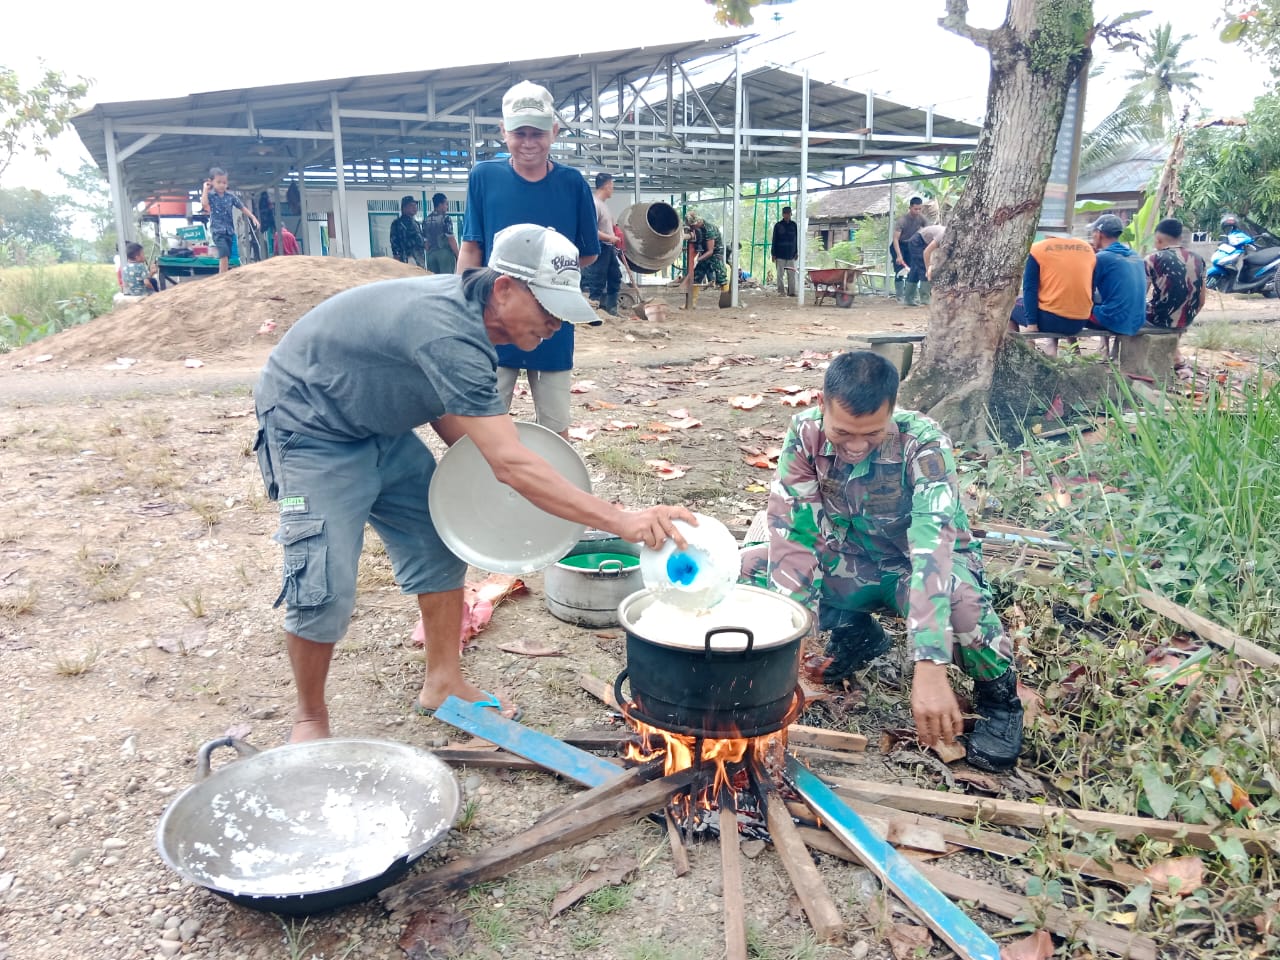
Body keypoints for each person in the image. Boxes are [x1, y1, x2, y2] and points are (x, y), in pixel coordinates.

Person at [253, 224, 694, 743]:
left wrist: (501, 481)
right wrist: (618, 519)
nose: (555, 325)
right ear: (504, 288)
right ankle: (310, 716)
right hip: (310, 425)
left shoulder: (477, 330)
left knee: (436, 536)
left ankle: (443, 682)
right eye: (548, 309)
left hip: (378, 426)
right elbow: (509, 460)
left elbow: (460, 425)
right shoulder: (447, 329)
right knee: (322, 578)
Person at [740, 351, 1024, 772]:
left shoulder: (924, 443)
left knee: (961, 601)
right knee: (753, 569)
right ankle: (857, 634)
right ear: (823, 403)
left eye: (871, 434)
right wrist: (792, 647)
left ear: (892, 409)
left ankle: (1000, 701)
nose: (855, 447)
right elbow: (796, 537)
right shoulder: (804, 433)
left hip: (913, 571)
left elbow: (933, 553)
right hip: (850, 562)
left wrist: (929, 666)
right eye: (843, 433)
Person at [457, 80, 599, 440]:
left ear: (554, 131)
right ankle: (478, 490)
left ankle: (555, 488)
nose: (529, 142)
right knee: (483, 418)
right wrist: (461, 306)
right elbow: (472, 246)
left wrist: (546, 283)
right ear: (503, 131)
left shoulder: (572, 184)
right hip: (494, 315)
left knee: (554, 423)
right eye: (519, 133)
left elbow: (589, 251)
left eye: (537, 132)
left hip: (551, 315)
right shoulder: (485, 177)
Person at [1010, 232, 1096, 357]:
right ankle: (1073, 351)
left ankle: (1023, 353)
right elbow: (1091, 286)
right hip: (1079, 322)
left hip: (1050, 321)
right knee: (1057, 299)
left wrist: (1031, 324)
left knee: (1009, 306)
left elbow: (1030, 289)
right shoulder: (1087, 248)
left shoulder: (1037, 250)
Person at [1086, 213, 1146, 338]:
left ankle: (1074, 351)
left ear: (1099, 233)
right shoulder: (1136, 256)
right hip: (1137, 321)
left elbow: (1085, 291)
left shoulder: (1101, 258)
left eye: (1093, 233)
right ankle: (1106, 350)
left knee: (1070, 309)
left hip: (1114, 321)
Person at [201, 167, 259, 274]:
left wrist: (252, 217)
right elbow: (204, 204)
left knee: (226, 254)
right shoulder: (211, 196)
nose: (222, 185)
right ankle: (223, 276)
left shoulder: (230, 197)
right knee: (223, 253)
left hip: (229, 231)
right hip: (217, 230)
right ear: (211, 182)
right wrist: (205, 189)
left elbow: (242, 207)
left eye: (224, 182)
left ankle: (222, 274)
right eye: (219, 182)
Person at [582, 172, 622, 315]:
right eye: (612, 185)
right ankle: (593, 311)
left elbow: (609, 227)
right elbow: (591, 231)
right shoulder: (594, 204)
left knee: (615, 277)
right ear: (606, 186)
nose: (613, 189)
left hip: (609, 248)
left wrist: (615, 233)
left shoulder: (604, 205)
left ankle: (611, 310)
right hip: (599, 247)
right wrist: (609, 238)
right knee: (596, 279)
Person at [892, 197, 929, 304]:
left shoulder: (922, 219)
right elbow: (895, 239)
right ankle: (899, 296)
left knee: (912, 269)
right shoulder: (902, 220)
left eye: (919, 209)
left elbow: (927, 232)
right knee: (899, 270)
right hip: (899, 245)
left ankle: (910, 296)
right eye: (915, 209)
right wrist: (899, 255)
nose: (917, 211)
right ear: (910, 208)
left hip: (911, 245)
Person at [906, 224, 944, 304]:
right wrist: (928, 269)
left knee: (915, 269)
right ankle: (925, 299)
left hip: (921, 241)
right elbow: (926, 252)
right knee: (923, 268)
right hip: (917, 241)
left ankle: (909, 298)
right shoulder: (942, 236)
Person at [424, 192, 459, 274]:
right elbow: (451, 239)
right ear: (440, 205)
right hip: (445, 255)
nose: (447, 207)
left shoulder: (426, 220)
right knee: (446, 280)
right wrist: (458, 255)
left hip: (431, 256)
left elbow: (426, 244)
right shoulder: (446, 218)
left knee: (434, 282)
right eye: (446, 204)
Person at [690, 214, 728, 288]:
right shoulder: (697, 228)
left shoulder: (709, 229)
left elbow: (710, 251)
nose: (691, 228)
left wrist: (697, 260)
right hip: (705, 253)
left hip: (715, 254)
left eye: (692, 226)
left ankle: (726, 296)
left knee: (721, 278)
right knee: (696, 277)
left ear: (697, 222)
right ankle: (692, 299)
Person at [390, 196, 427, 268]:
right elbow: (394, 242)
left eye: (415, 206)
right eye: (411, 205)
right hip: (406, 258)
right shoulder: (398, 223)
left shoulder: (416, 223)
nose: (414, 208)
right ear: (404, 208)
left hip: (419, 258)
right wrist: (397, 257)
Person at [771, 206, 799, 297]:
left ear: (791, 214)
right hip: (780, 254)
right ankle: (781, 292)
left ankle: (791, 292)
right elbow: (774, 240)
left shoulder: (794, 225)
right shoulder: (778, 225)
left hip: (791, 254)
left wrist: (796, 252)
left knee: (792, 274)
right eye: (785, 213)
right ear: (783, 214)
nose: (787, 215)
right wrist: (773, 254)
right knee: (780, 275)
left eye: (788, 213)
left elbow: (796, 240)